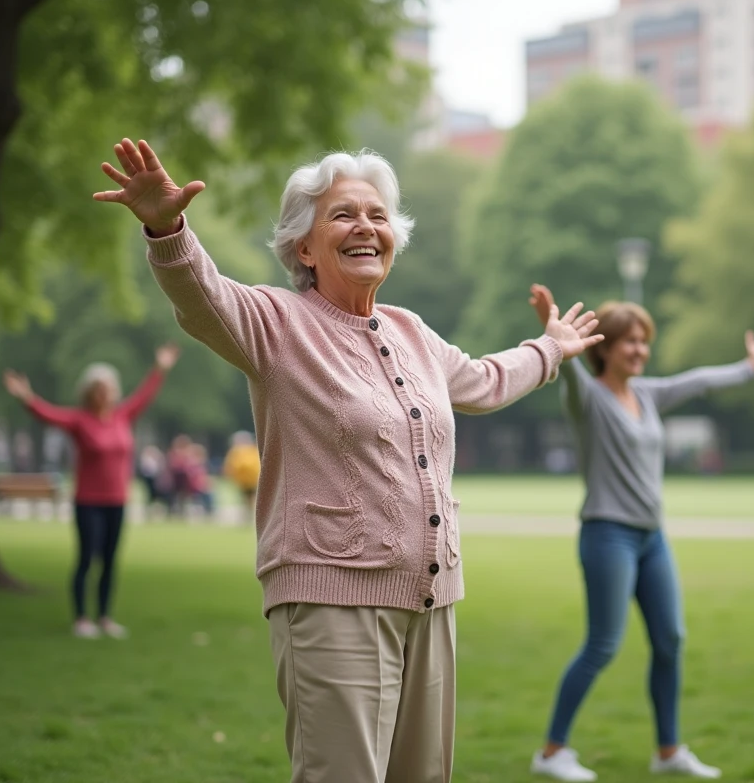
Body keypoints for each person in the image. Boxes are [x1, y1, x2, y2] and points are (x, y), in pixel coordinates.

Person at [93, 138, 603, 783]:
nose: (366, 226)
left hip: (433, 601)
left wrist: (549, 348)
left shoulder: (411, 331)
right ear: (303, 248)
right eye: (342, 215)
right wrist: (166, 228)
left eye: (378, 215)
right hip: (330, 600)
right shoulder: (278, 324)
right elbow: (204, 299)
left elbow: (481, 380)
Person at [528, 284, 754, 782]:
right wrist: (549, 332)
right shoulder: (587, 398)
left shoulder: (647, 393)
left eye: (644, 341)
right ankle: (552, 752)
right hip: (607, 535)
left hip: (650, 539)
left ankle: (668, 752)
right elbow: (570, 371)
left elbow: (699, 380)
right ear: (605, 347)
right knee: (603, 644)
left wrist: (749, 368)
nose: (640, 349)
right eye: (629, 341)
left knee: (670, 640)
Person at [3, 345, 179, 638]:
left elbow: (144, 396)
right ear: (88, 393)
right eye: (98, 389)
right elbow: (48, 415)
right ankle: (82, 618)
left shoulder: (123, 416)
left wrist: (160, 368)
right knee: (87, 558)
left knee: (110, 560)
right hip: (88, 501)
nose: (103, 394)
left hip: (117, 501)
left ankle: (105, 617)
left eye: (108, 388)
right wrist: (26, 397)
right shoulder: (79, 420)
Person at [224, 430, 262, 524]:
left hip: (252, 480)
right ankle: (248, 517)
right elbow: (231, 466)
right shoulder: (237, 451)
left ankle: (250, 517)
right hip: (244, 480)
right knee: (247, 500)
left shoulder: (250, 450)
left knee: (251, 500)